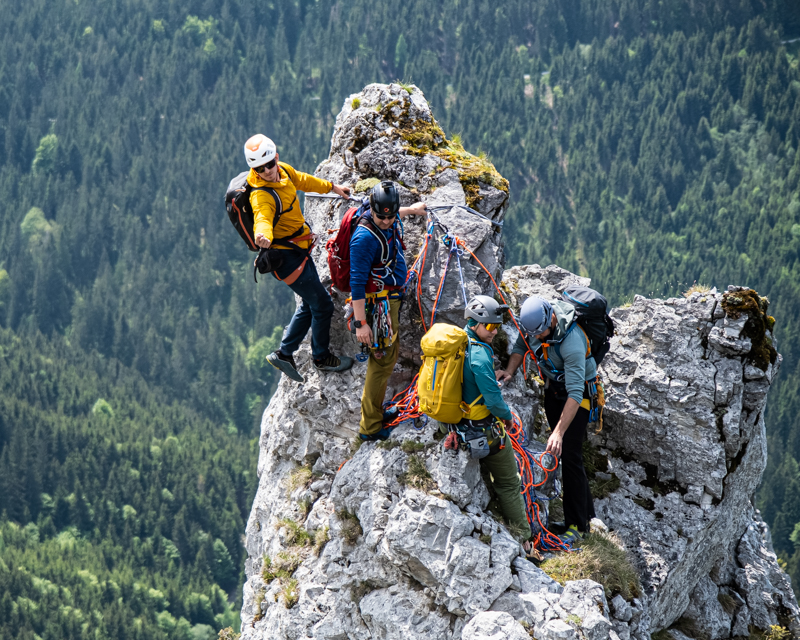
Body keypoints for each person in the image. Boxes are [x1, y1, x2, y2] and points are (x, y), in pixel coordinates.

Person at [243, 134, 353, 382]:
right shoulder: (261, 194)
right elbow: (262, 217)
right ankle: (322, 358)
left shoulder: (283, 171)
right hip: (287, 258)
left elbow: (303, 180)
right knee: (322, 304)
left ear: (276, 158)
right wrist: (262, 235)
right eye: (259, 169)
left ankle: (284, 353)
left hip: (298, 249)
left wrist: (332, 187)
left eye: (269, 164)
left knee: (309, 302)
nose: (266, 171)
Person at [496, 296, 597, 543]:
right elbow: (521, 346)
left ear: (551, 318)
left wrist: (558, 432)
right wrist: (509, 371)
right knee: (567, 455)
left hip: (578, 395)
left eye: (542, 333)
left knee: (570, 455)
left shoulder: (571, 342)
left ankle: (577, 526)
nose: (539, 338)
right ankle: (587, 514)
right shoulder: (534, 326)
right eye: (536, 334)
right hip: (554, 389)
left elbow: (575, 393)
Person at [351, 181, 426, 441]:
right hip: (377, 306)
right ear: (371, 210)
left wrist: (412, 210)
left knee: (388, 356)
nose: (385, 221)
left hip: (388, 299)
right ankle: (370, 427)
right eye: (380, 216)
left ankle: (375, 413)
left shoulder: (387, 217)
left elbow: (392, 215)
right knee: (381, 362)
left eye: (390, 215)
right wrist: (361, 323)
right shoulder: (363, 239)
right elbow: (357, 283)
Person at [457, 295, 531, 537]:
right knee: (509, 482)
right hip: (484, 429)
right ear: (476, 322)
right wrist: (508, 418)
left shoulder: (458, 341)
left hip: (458, 423)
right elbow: (493, 401)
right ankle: (523, 536)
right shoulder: (479, 355)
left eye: (497, 327)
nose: (494, 332)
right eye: (489, 326)